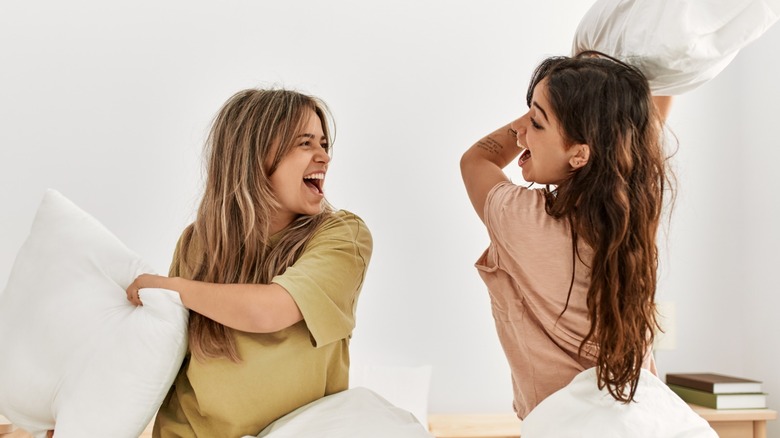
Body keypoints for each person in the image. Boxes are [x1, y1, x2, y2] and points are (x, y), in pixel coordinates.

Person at [125, 88, 373, 437]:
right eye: (305, 143)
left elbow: (268, 311)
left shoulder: (344, 236)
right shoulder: (198, 242)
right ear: (254, 156)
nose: (324, 157)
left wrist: (171, 288)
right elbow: (162, 356)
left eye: (323, 144)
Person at [460, 51, 673, 419]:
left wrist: (558, 93)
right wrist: (573, 90)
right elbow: (650, 111)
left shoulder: (524, 220)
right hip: (649, 420)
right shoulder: (634, 216)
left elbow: (477, 159)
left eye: (536, 122)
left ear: (579, 154)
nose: (522, 131)